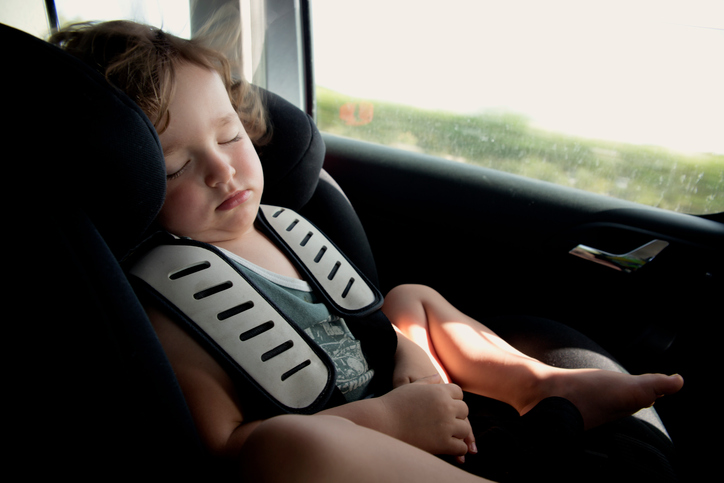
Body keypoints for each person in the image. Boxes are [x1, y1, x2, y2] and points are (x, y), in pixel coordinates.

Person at [51, 20, 683, 482]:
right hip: (362, 449)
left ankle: (535, 386)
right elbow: (233, 454)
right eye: (178, 166)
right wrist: (388, 423)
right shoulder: (166, 306)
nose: (224, 172)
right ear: (124, 182)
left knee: (410, 300)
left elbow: (366, 324)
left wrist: (404, 348)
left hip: (434, 413)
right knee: (289, 449)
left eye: (231, 134)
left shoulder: (282, 226)